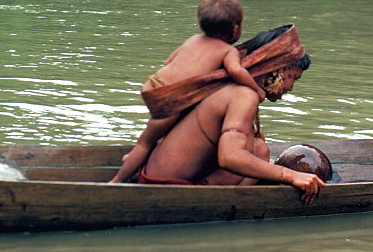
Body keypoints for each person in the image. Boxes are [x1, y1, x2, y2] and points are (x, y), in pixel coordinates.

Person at [133, 25, 325, 203]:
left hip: (155, 176)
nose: (291, 88)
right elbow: (229, 157)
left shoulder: (235, 87)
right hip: (164, 189)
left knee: (259, 149)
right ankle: (214, 205)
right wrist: (289, 174)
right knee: (257, 153)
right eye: (294, 78)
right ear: (277, 70)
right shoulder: (244, 95)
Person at [109, 0, 266, 183]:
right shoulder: (228, 50)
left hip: (155, 87)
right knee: (164, 129)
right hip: (175, 97)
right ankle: (117, 181)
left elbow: (169, 61)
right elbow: (236, 71)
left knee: (144, 142)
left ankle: (120, 176)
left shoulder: (192, 39)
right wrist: (257, 90)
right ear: (235, 29)